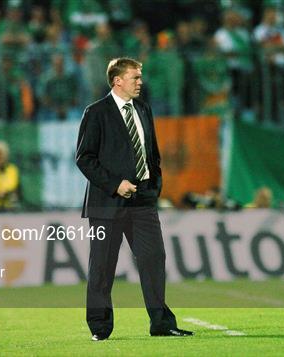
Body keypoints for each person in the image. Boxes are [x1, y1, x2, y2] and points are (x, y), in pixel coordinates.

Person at [76, 57, 193, 340]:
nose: (140, 82)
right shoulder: (96, 112)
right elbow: (84, 159)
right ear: (118, 80)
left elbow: (151, 154)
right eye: (135, 78)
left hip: (142, 202)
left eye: (140, 77)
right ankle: (100, 327)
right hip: (107, 204)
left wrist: (154, 187)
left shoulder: (143, 109)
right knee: (102, 266)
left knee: (154, 258)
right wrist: (116, 185)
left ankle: (161, 323)